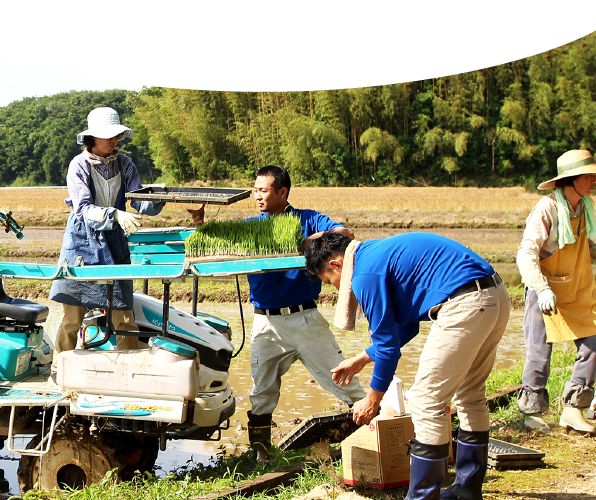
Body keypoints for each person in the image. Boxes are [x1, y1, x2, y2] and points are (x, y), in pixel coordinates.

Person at [304, 231, 510, 500]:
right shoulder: (375, 255)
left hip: (464, 304)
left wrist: (372, 398)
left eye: (329, 281)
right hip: (494, 295)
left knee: (426, 402)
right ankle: (467, 490)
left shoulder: (364, 274)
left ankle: (422, 497)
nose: (335, 288)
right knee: (470, 396)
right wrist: (363, 359)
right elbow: (406, 326)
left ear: (336, 264)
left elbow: (389, 349)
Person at [188, 166, 366, 461]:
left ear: (282, 192)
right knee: (262, 388)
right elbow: (212, 245)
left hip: (305, 318)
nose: (257, 195)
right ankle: (260, 451)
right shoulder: (250, 226)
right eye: (255, 189)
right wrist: (200, 225)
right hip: (265, 321)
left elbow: (345, 233)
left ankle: (372, 431)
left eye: (264, 190)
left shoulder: (307, 219)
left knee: (340, 377)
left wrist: (310, 240)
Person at [49, 107, 165, 376]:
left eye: (117, 135)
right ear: (92, 138)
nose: (114, 140)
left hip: (113, 243)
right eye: (108, 135)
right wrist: (115, 213)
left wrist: (160, 201)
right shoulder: (79, 165)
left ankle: (132, 370)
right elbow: (83, 210)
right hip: (82, 244)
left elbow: (138, 200)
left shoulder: (125, 164)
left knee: (124, 314)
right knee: (73, 317)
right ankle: (60, 367)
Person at [516, 149, 596, 435]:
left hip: (575, 288)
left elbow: (581, 243)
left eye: (594, 176)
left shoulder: (583, 206)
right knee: (539, 351)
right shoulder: (547, 208)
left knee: (593, 346)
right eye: (588, 176)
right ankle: (532, 413)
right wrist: (541, 289)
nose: (594, 181)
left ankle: (573, 409)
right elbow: (527, 253)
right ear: (571, 180)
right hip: (546, 289)